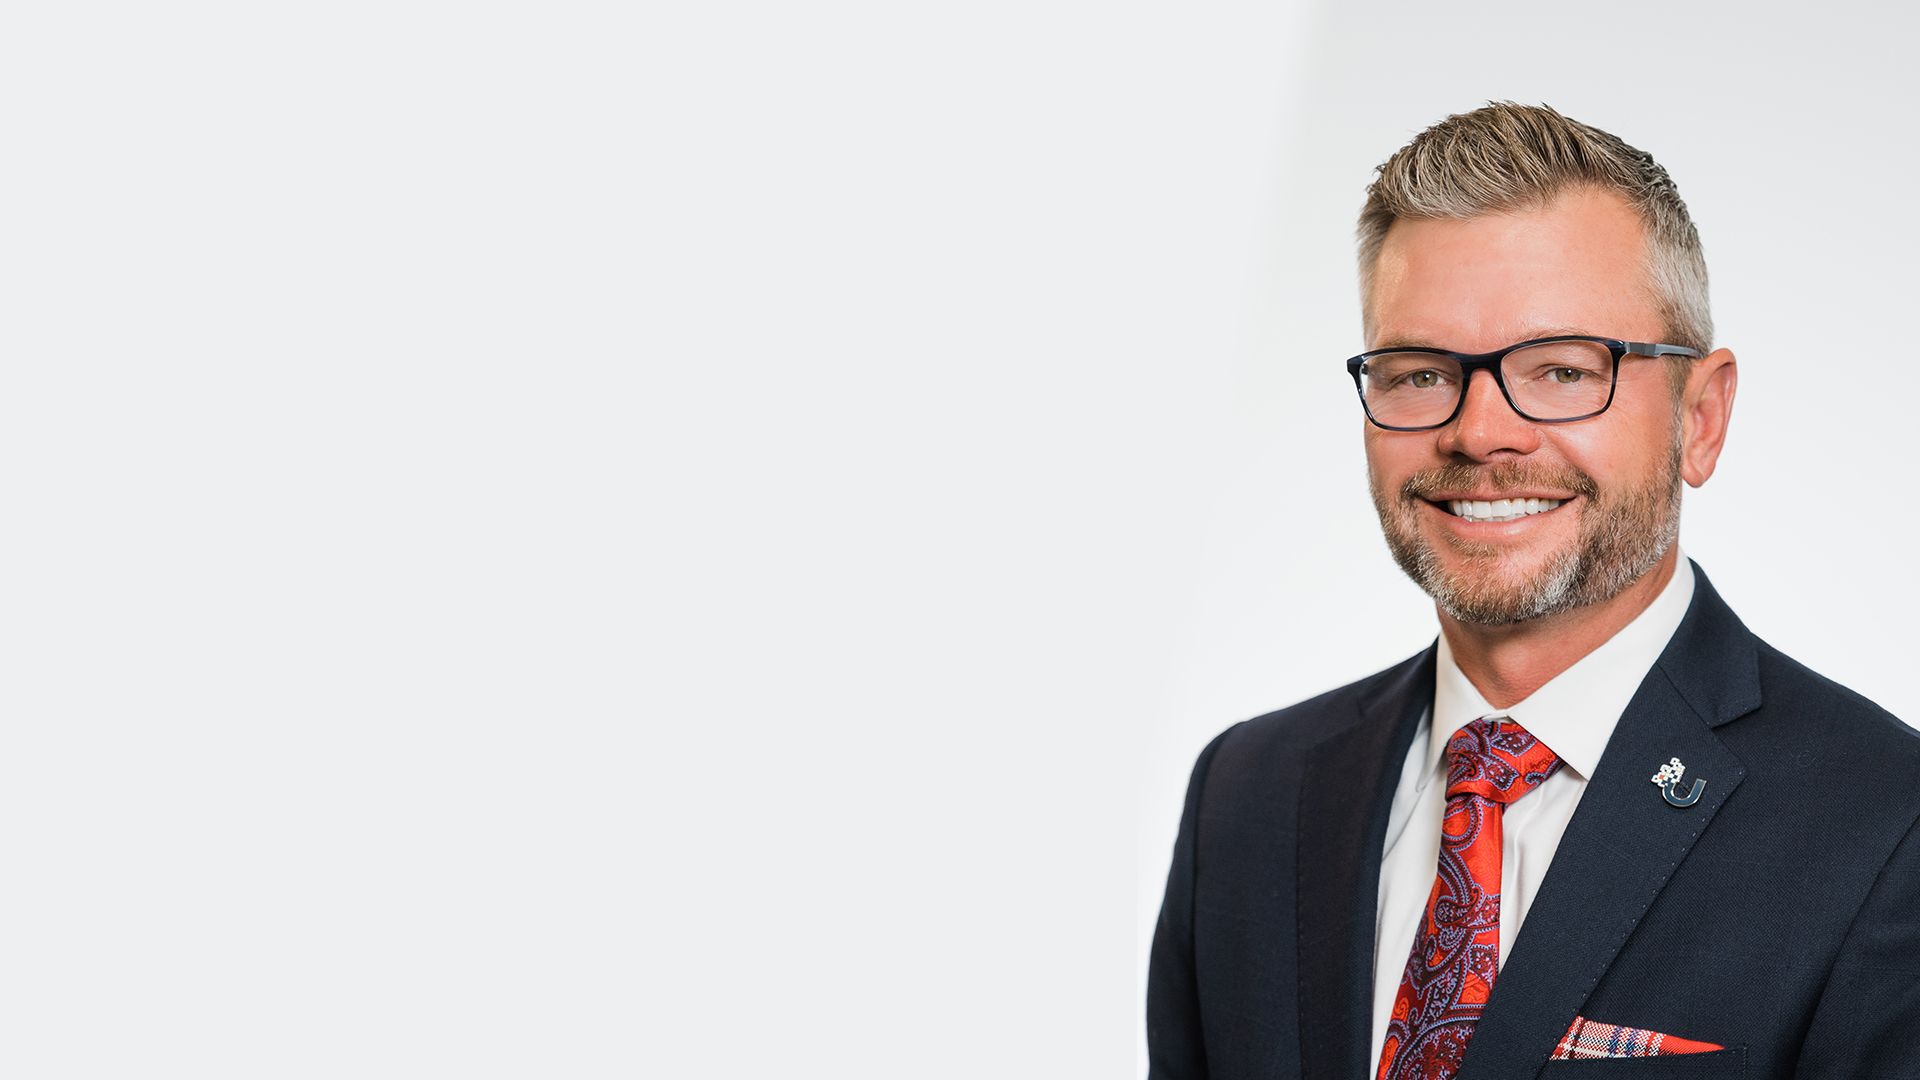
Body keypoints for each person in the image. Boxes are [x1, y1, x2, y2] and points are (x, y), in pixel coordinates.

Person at [1145, 103, 1920, 1080]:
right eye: (1420, 373)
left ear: (1701, 417)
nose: (1479, 433)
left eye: (1560, 369)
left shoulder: (1887, 829)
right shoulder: (1248, 795)